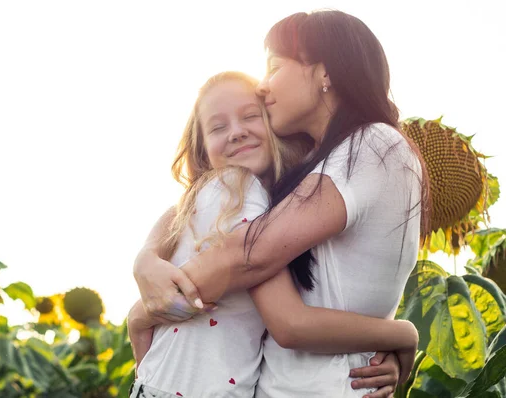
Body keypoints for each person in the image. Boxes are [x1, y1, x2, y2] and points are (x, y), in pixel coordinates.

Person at [128, 69, 421, 398]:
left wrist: (144, 269)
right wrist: (403, 334)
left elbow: (144, 341)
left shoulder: (238, 204)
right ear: (203, 149)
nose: (236, 133)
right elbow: (289, 322)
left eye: (250, 117)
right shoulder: (240, 190)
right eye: (218, 127)